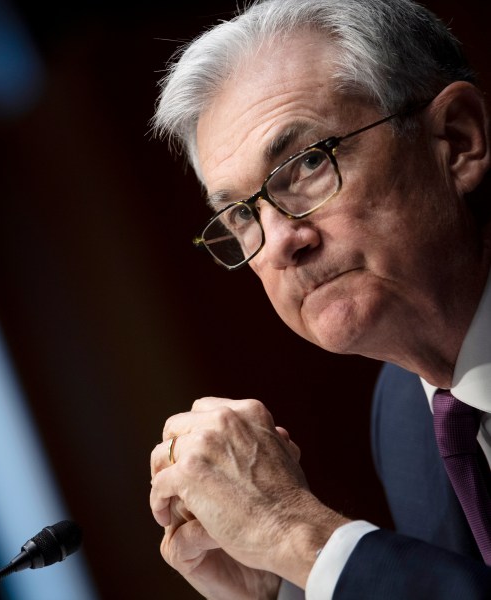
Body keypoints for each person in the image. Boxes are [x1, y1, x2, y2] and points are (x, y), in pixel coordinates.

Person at [147, 0, 491, 598]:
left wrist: (296, 536)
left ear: (456, 140)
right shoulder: (407, 418)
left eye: (307, 163)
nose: (280, 242)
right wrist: (282, 587)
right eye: (239, 214)